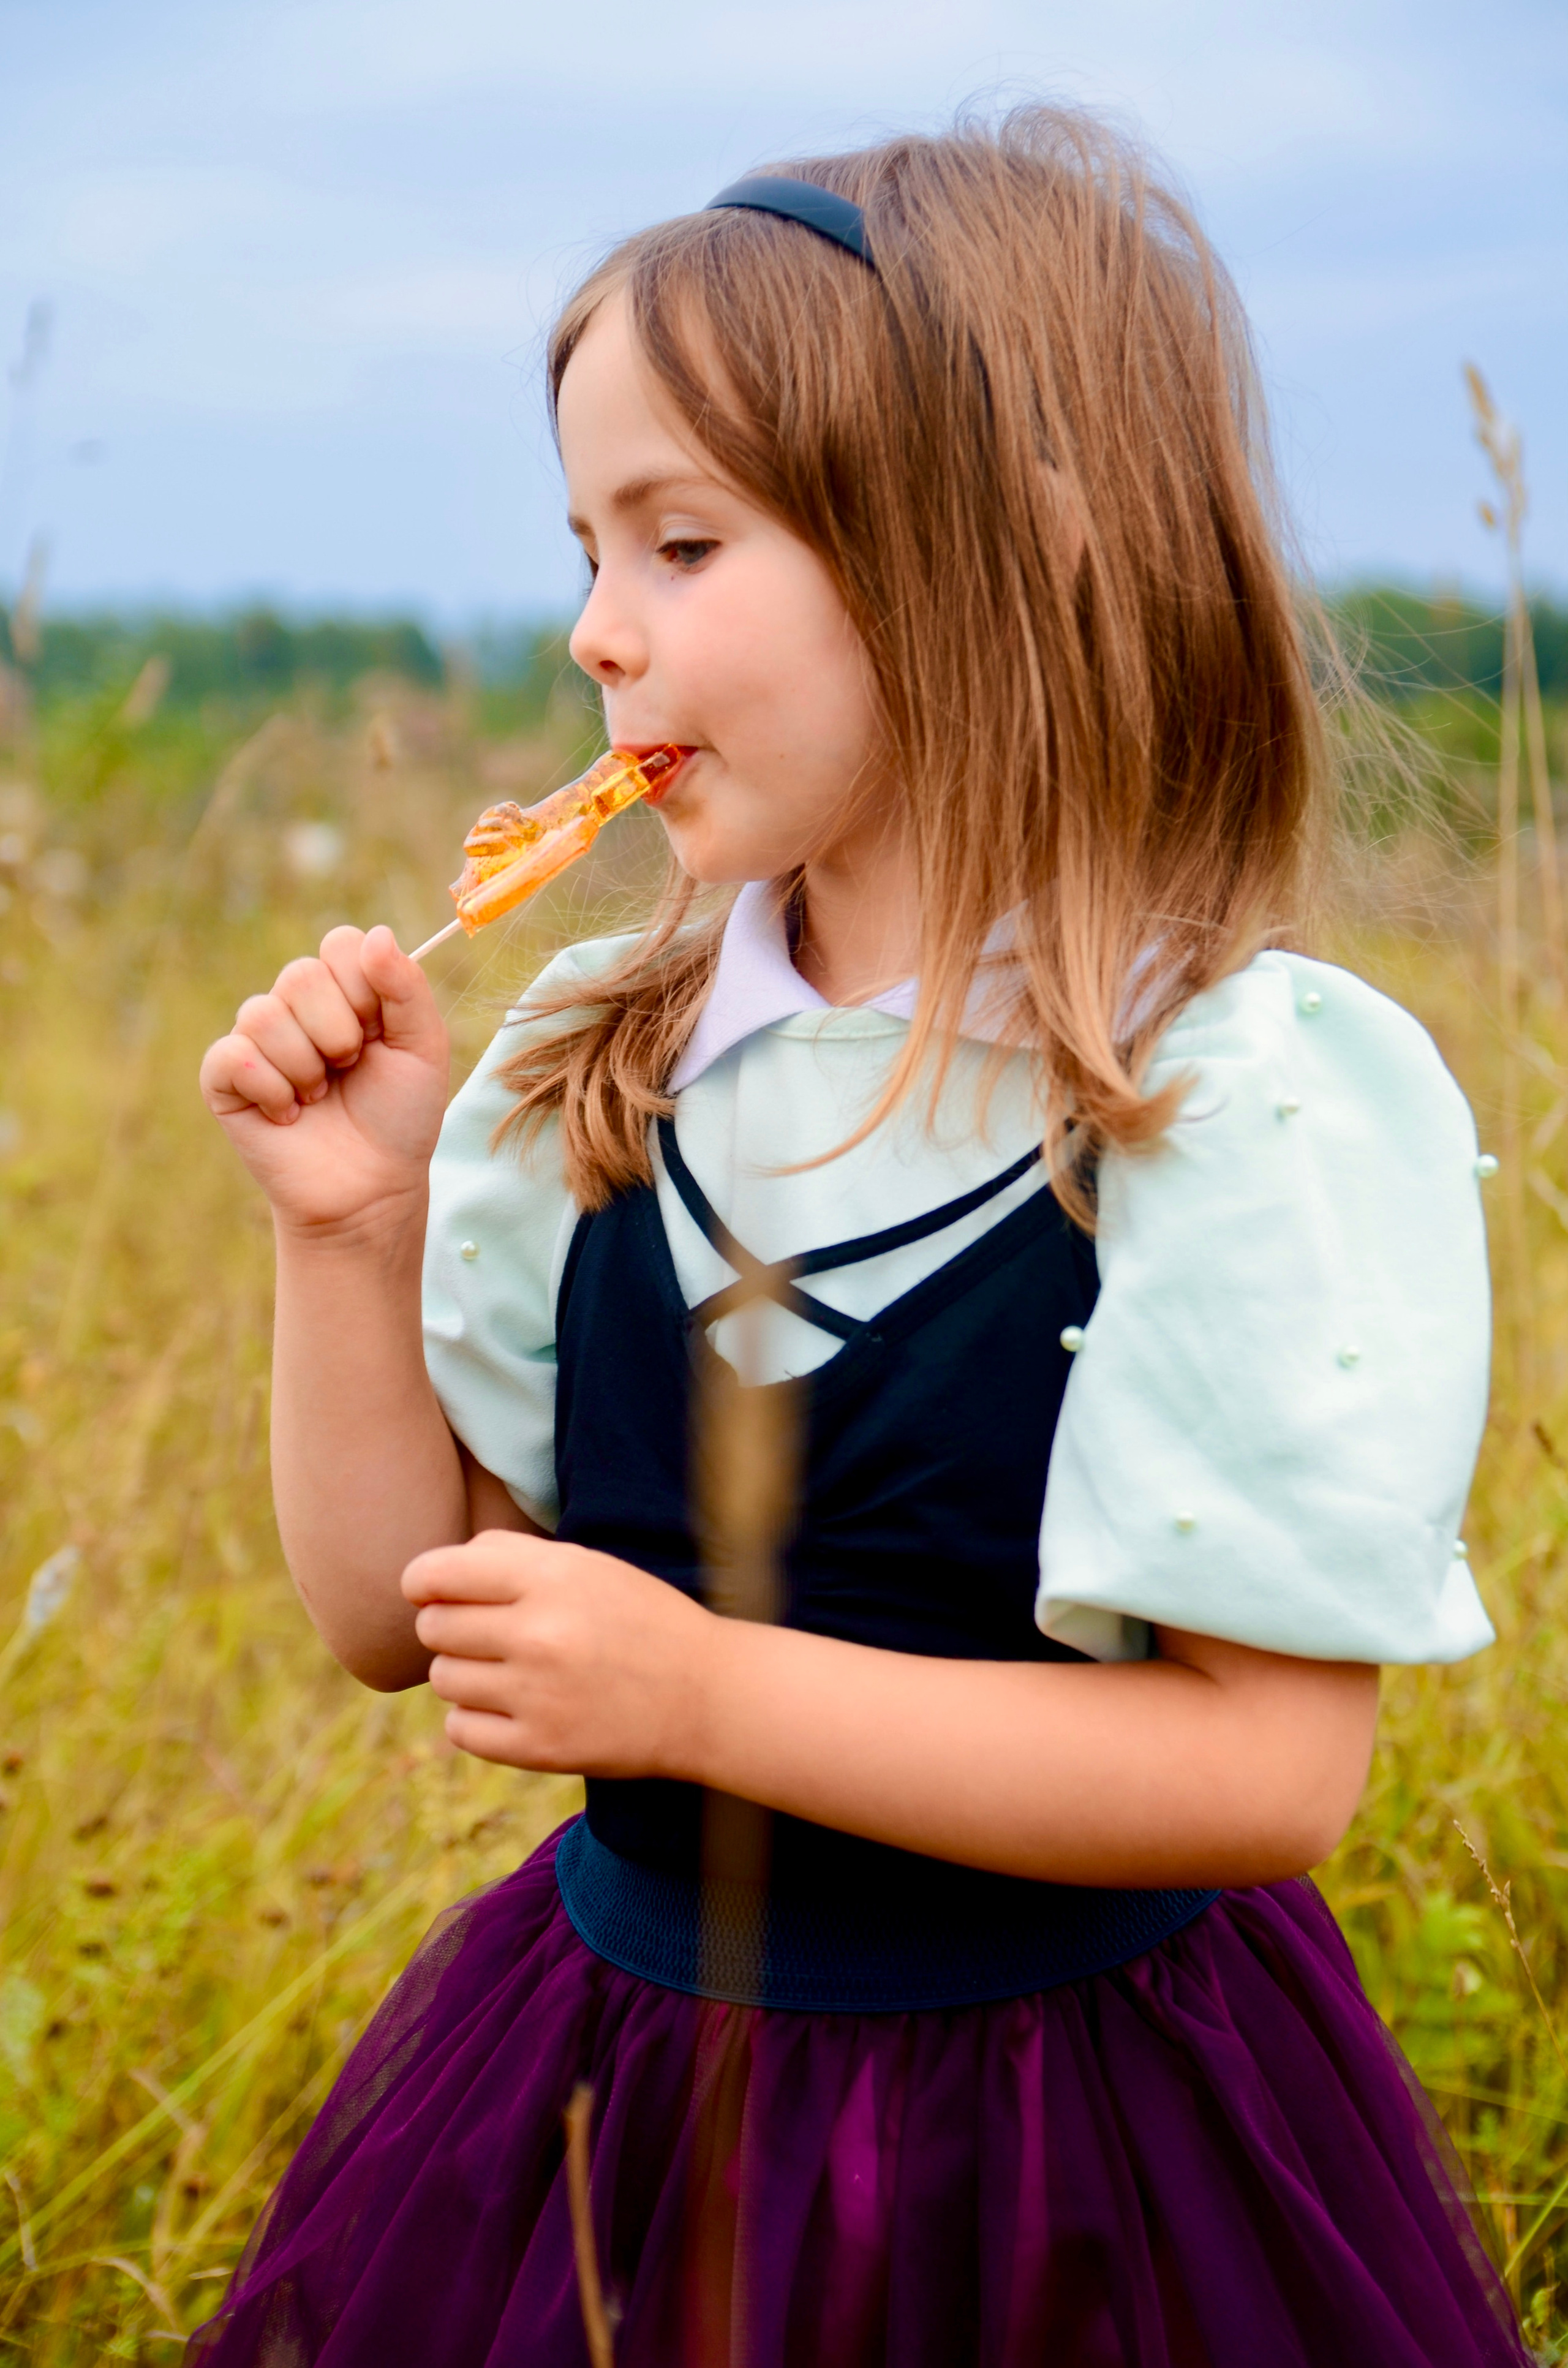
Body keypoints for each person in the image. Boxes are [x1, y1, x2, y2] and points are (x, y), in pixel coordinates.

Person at [192, 108, 1528, 2368]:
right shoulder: (594, 1054)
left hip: (1062, 2139)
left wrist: (704, 1692)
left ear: (996, 559)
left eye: (685, 541)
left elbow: (1269, 1773)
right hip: (612, 2088)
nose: (599, 630)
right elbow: (389, 1616)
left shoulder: (1229, 1097)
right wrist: (357, 1228)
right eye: (589, 546)